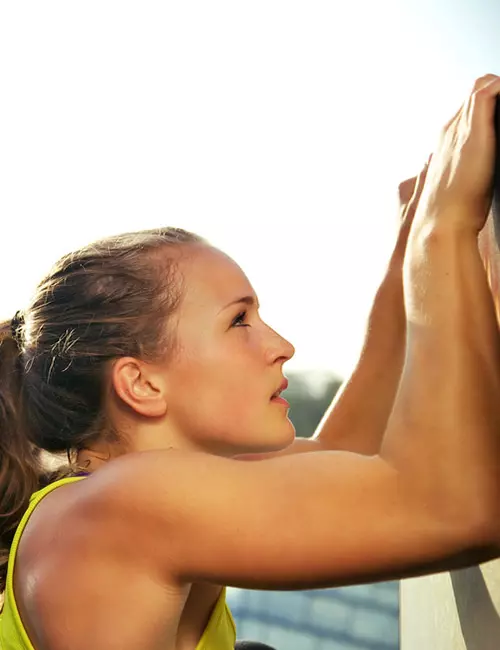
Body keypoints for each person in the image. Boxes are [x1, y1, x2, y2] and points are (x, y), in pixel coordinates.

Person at [1, 74, 500, 650]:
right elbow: (459, 509)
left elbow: (352, 455)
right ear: (140, 383)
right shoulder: (120, 504)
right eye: (238, 321)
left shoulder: (127, 495)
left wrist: (406, 258)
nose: (282, 345)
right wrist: (442, 231)